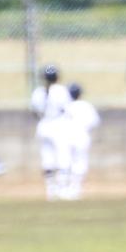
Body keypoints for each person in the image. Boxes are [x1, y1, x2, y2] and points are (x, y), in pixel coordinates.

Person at [31, 63, 72, 199]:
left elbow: (35, 111)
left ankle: (50, 190)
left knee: (47, 157)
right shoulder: (61, 90)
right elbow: (66, 109)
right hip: (58, 124)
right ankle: (63, 188)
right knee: (63, 156)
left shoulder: (38, 91)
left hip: (44, 124)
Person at [59, 83, 100, 200]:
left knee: (66, 161)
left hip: (67, 136)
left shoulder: (66, 106)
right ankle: (75, 188)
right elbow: (95, 121)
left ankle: (63, 188)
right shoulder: (86, 106)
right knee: (80, 162)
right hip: (82, 136)